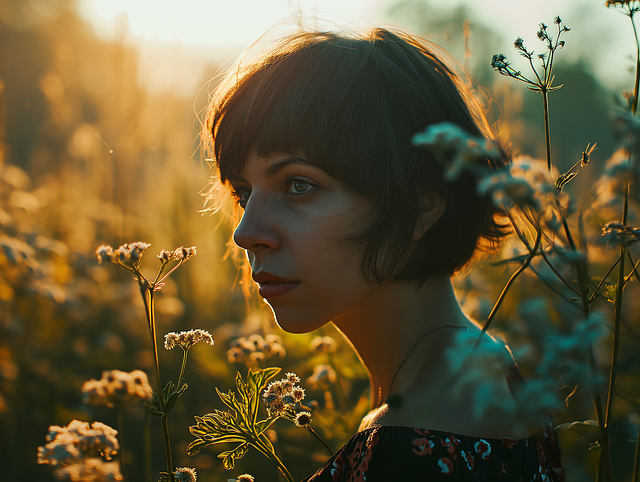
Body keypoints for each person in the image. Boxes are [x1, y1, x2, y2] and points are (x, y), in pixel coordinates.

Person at [203, 26, 563, 482]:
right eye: (243, 191)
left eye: (299, 185)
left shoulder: (411, 447)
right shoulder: (487, 367)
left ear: (419, 205)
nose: (245, 232)